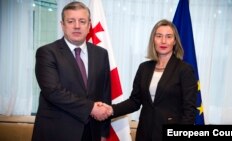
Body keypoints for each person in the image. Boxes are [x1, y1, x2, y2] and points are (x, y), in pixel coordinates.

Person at [32, 1, 112, 141]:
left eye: (82, 21)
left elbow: (105, 93)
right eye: (71, 21)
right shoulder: (47, 52)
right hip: (57, 132)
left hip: (92, 132)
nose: (77, 26)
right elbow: (53, 91)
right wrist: (91, 107)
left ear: (89, 25)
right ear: (62, 25)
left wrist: (103, 133)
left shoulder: (101, 54)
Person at [110, 19, 198, 141]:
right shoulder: (144, 67)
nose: (163, 41)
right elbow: (135, 101)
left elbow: (189, 111)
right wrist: (110, 109)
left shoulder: (184, 69)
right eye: (159, 36)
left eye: (168, 37)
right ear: (153, 40)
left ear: (175, 41)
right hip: (144, 134)